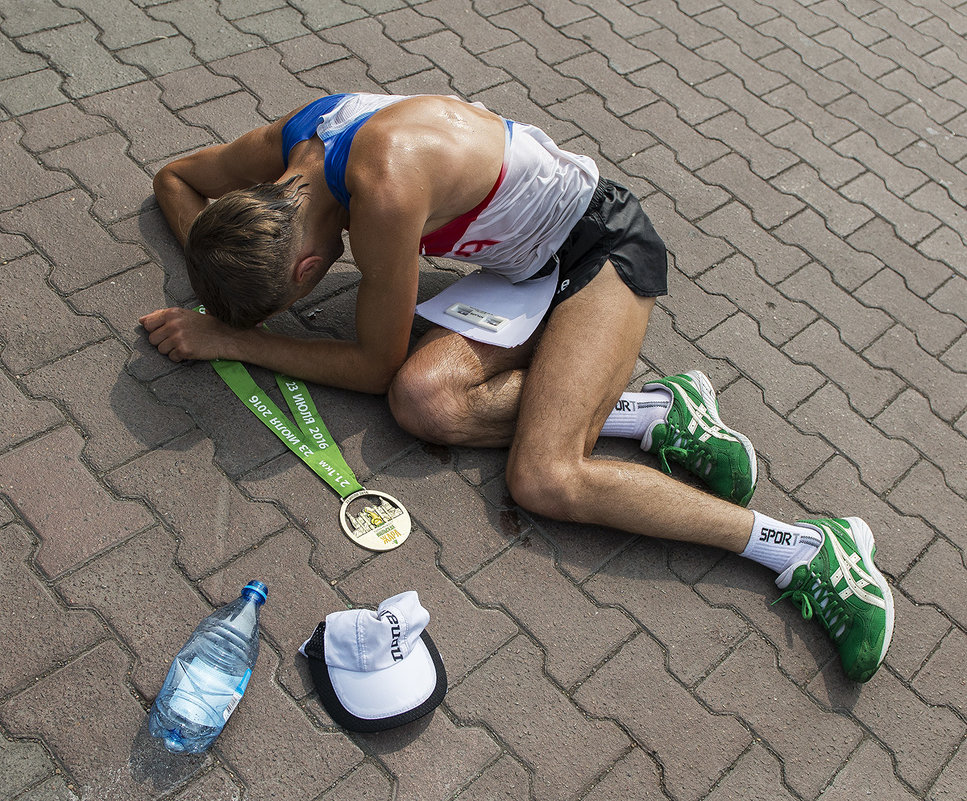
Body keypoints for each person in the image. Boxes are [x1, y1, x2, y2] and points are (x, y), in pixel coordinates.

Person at [141, 93, 893, 682]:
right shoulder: (294, 146)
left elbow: (371, 360)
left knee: (545, 476)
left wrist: (234, 338)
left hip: (599, 251)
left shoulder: (385, 193)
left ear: (305, 272)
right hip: (523, 268)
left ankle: (805, 547)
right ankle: (655, 412)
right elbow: (173, 178)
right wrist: (218, 286)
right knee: (421, 401)